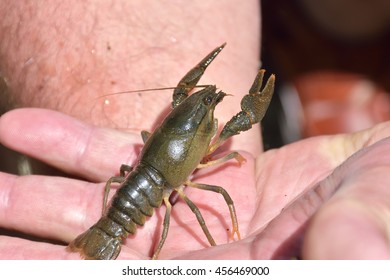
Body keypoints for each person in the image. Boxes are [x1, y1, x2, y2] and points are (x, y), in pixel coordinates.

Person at [1, 1, 390, 259]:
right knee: (218, 190)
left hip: (135, 186)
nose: (206, 98)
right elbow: (233, 127)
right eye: (201, 100)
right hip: (148, 195)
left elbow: (182, 100)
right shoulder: (210, 143)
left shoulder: (169, 123)